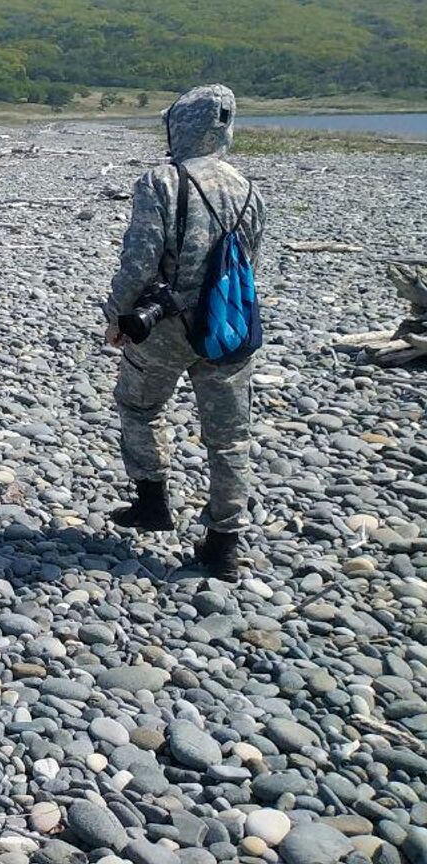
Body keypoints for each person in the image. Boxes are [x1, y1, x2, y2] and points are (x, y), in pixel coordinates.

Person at [103, 83, 266, 580]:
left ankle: (152, 502)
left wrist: (117, 316)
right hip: (229, 325)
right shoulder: (247, 187)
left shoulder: (162, 181)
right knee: (229, 437)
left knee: (139, 406)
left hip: (166, 328)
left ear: (180, 124)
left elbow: (139, 261)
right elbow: (248, 264)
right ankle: (224, 544)